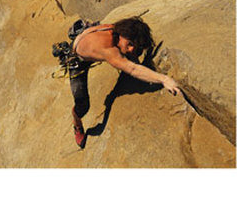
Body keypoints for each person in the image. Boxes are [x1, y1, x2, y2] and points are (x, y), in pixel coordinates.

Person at [69, 16, 180, 148]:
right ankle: (77, 124)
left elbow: (133, 36)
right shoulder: (109, 50)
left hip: (88, 35)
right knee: (83, 105)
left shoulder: (117, 30)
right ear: (121, 35)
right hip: (78, 60)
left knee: (131, 52)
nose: (132, 49)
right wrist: (164, 79)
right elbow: (132, 69)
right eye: (130, 44)